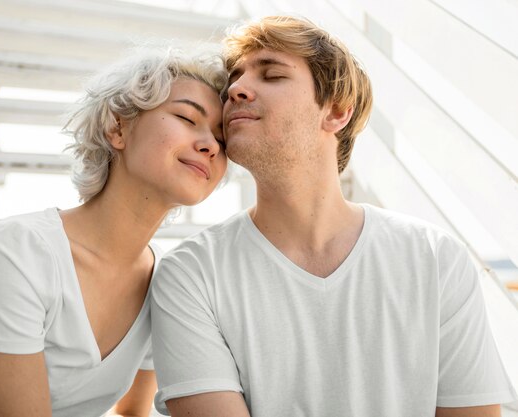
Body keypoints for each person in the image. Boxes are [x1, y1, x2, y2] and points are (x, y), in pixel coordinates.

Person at [151, 16, 517, 417]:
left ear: (337, 111)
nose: (236, 89)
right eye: (233, 79)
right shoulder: (190, 274)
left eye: (271, 75)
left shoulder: (436, 259)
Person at [0, 47, 227, 417]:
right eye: (187, 117)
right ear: (117, 127)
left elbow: (132, 410)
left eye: (222, 137)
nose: (211, 145)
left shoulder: (165, 282)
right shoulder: (21, 250)